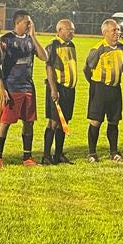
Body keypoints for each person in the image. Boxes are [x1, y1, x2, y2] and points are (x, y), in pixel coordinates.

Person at [0, 10, 48, 168]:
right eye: (27, 22)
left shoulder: (30, 39)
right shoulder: (6, 39)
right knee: (5, 122)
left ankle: (27, 157)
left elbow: (45, 57)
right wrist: (1, 87)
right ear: (17, 22)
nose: (30, 25)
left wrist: (34, 36)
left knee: (29, 122)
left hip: (28, 87)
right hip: (12, 87)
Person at [84, 19, 123, 162]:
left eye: (118, 30)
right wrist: (94, 84)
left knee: (114, 121)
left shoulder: (121, 48)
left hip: (115, 89)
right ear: (105, 32)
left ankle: (113, 152)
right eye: (114, 30)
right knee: (96, 121)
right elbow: (87, 69)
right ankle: (92, 153)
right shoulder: (98, 49)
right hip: (99, 89)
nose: (117, 32)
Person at [43, 18, 78, 164]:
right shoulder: (53, 46)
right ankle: (46, 156)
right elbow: (49, 67)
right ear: (59, 30)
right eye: (69, 29)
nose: (72, 32)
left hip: (70, 89)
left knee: (64, 122)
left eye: (73, 30)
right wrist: (53, 89)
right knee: (53, 122)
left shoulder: (71, 45)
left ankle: (58, 154)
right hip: (57, 88)